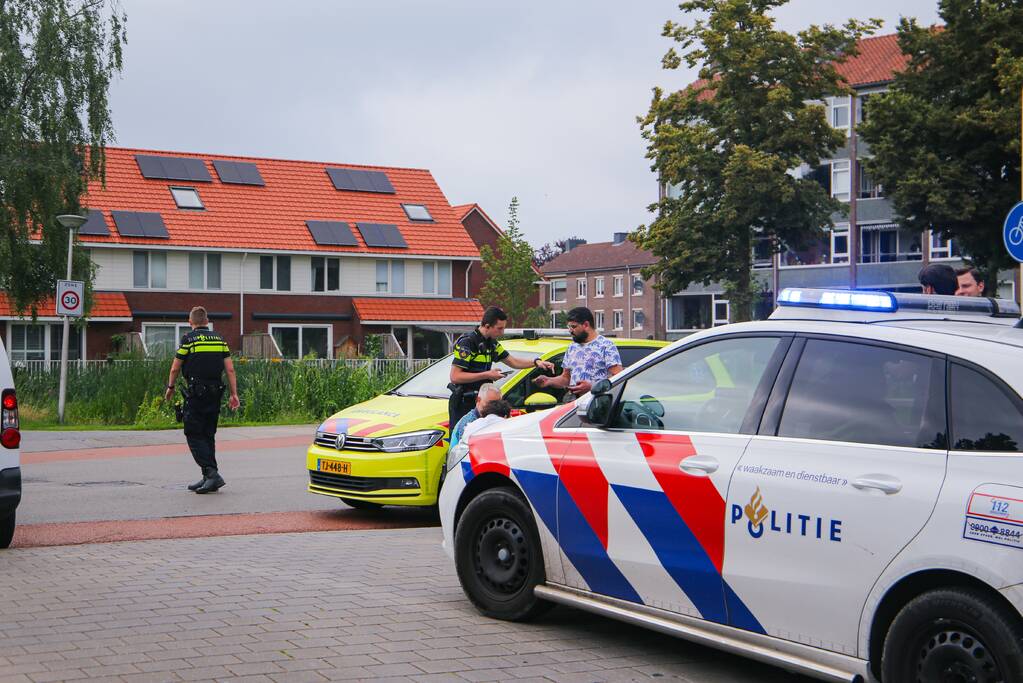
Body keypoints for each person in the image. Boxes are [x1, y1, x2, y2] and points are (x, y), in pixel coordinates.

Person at [163, 307, 240, 494]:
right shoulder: (220, 339)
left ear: (191, 322)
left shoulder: (188, 339)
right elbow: (229, 370)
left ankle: (212, 474)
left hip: (196, 394)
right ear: (207, 321)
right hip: (215, 394)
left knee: (193, 433)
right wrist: (234, 394)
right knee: (208, 434)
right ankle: (208, 476)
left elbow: (175, 367)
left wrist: (170, 387)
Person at [448, 306, 554, 431]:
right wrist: (487, 375)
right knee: (462, 441)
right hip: (464, 402)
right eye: (499, 328)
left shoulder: (492, 344)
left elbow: (513, 361)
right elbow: (455, 377)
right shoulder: (468, 343)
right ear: (487, 326)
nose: (502, 332)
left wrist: (536, 362)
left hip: (482, 403)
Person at [534, 306, 622, 398]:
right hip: (574, 402)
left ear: (586, 325)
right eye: (569, 327)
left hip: (597, 402)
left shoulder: (606, 345)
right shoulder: (572, 347)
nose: (570, 330)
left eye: (573, 326)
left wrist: (592, 387)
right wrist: (549, 381)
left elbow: (618, 377)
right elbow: (566, 378)